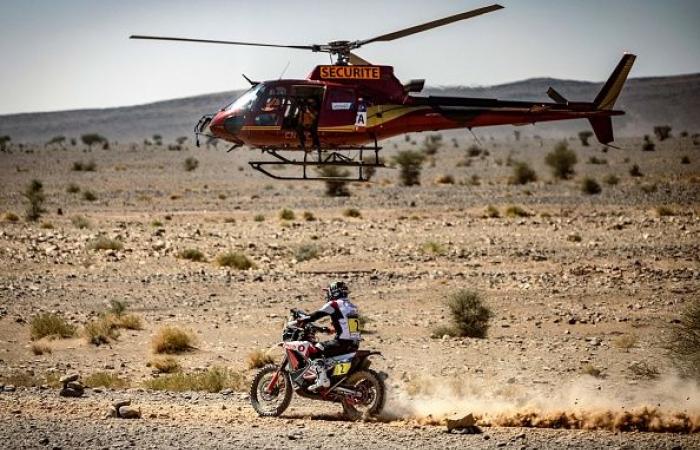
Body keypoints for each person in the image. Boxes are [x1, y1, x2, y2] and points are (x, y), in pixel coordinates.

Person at [297, 281, 361, 391]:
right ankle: (329, 376)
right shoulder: (351, 306)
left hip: (342, 343)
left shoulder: (334, 304)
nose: (328, 295)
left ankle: (322, 380)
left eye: (329, 292)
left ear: (334, 292)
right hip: (354, 343)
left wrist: (301, 319)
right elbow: (346, 324)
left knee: (314, 349)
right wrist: (332, 329)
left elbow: (315, 316)